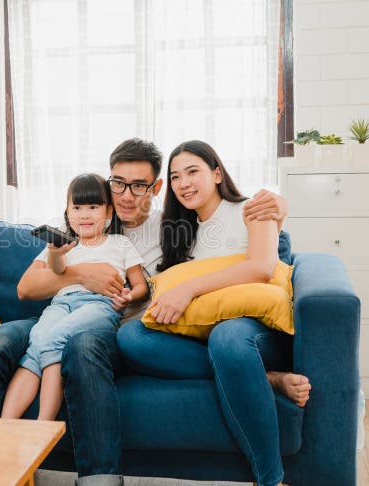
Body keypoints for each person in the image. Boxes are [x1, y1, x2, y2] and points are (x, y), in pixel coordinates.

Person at [0, 138, 289, 486]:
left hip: (111, 324)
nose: (126, 195)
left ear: (157, 187)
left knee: (84, 347)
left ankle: (100, 479)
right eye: (118, 183)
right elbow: (26, 288)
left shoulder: (174, 226)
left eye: (139, 185)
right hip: (58, 312)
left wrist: (279, 204)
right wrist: (82, 273)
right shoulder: (91, 219)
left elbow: (235, 230)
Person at [116, 140, 310, 486]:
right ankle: (264, 378)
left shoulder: (252, 209)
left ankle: (270, 479)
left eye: (193, 172)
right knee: (131, 337)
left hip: (252, 331)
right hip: (203, 335)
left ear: (217, 173)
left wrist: (189, 288)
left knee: (228, 336)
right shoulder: (181, 232)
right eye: (175, 177)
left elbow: (263, 267)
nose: (184, 183)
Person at [0, 173, 148, 421]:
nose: (84, 214)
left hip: (99, 305)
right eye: (76, 207)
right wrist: (56, 254)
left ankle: (43, 426)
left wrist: (129, 297)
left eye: (93, 207)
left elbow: (141, 286)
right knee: (35, 346)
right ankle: (6, 426)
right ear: (67, 212)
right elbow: (57, 271)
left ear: (109, 211)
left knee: (54, 339)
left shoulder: (119, 243)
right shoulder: (63, 246)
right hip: (61, 303)